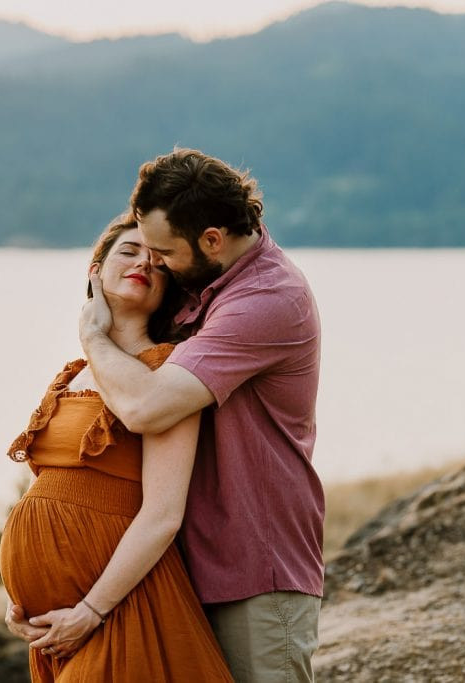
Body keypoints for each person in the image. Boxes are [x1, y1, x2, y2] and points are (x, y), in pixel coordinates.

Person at [75, 149, 324, 682]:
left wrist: (92, 335)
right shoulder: (203, 282)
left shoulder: (266, 299)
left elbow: (146, 407)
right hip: (184, 566)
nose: (155, 262)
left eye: (163, 251)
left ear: (212, 239)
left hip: (254, 567)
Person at [0, 214, 234, 682]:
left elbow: (163, 513)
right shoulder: (71, 375)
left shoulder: (168, 374)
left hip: (120, 607)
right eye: (129, 251)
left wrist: (91, 610)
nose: (144, 263)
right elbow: (48, 492)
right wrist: (19, 596)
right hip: (54, 622)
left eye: (159, 263)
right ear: (95, 270)